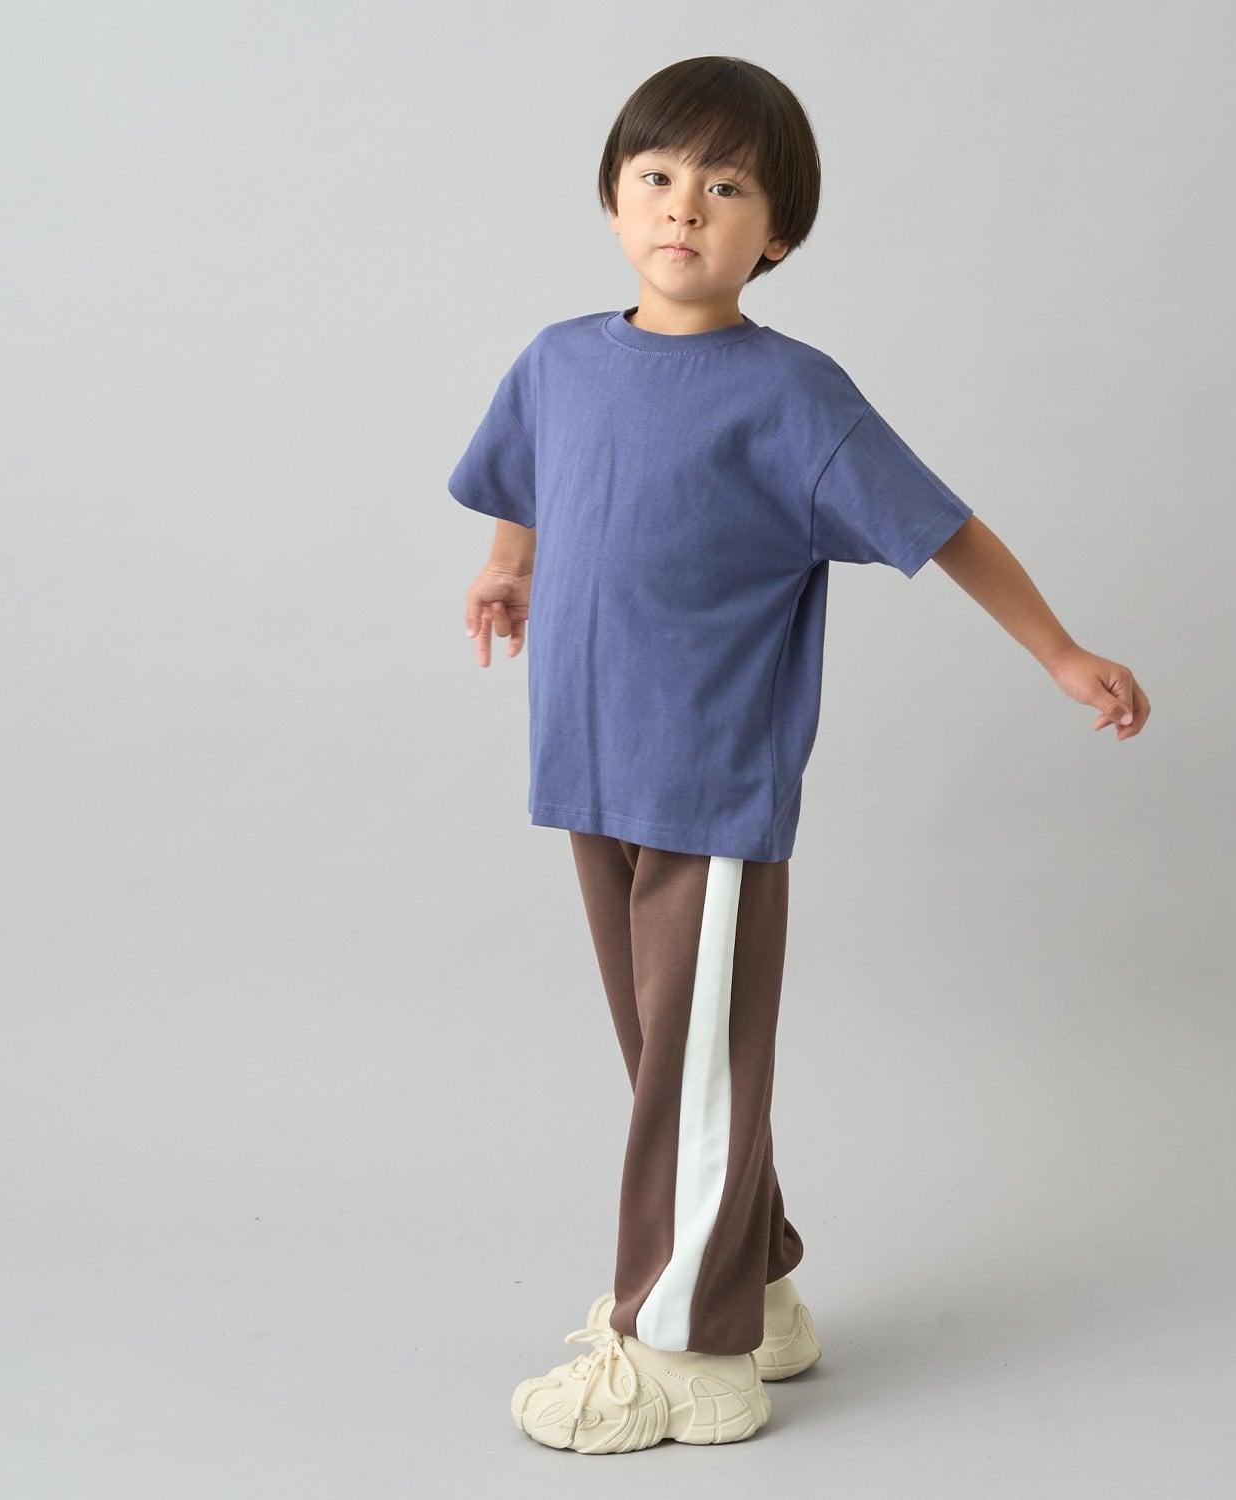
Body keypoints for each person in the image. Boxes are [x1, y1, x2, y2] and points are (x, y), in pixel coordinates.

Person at [447, 55, 1151, 1456]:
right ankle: (752, 1285)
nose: (684, 208)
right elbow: (524, 479)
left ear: (777, 235)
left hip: (709, 783)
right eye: (658, 177)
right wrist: (508, 566)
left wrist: (1061, 651)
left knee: (690, 1070)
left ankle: (678, 1346)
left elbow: (942, 526)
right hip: (585, 762)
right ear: (612, 198)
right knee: (667, 1056)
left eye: (725, 188)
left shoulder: (791, 396)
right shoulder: (559, 361)